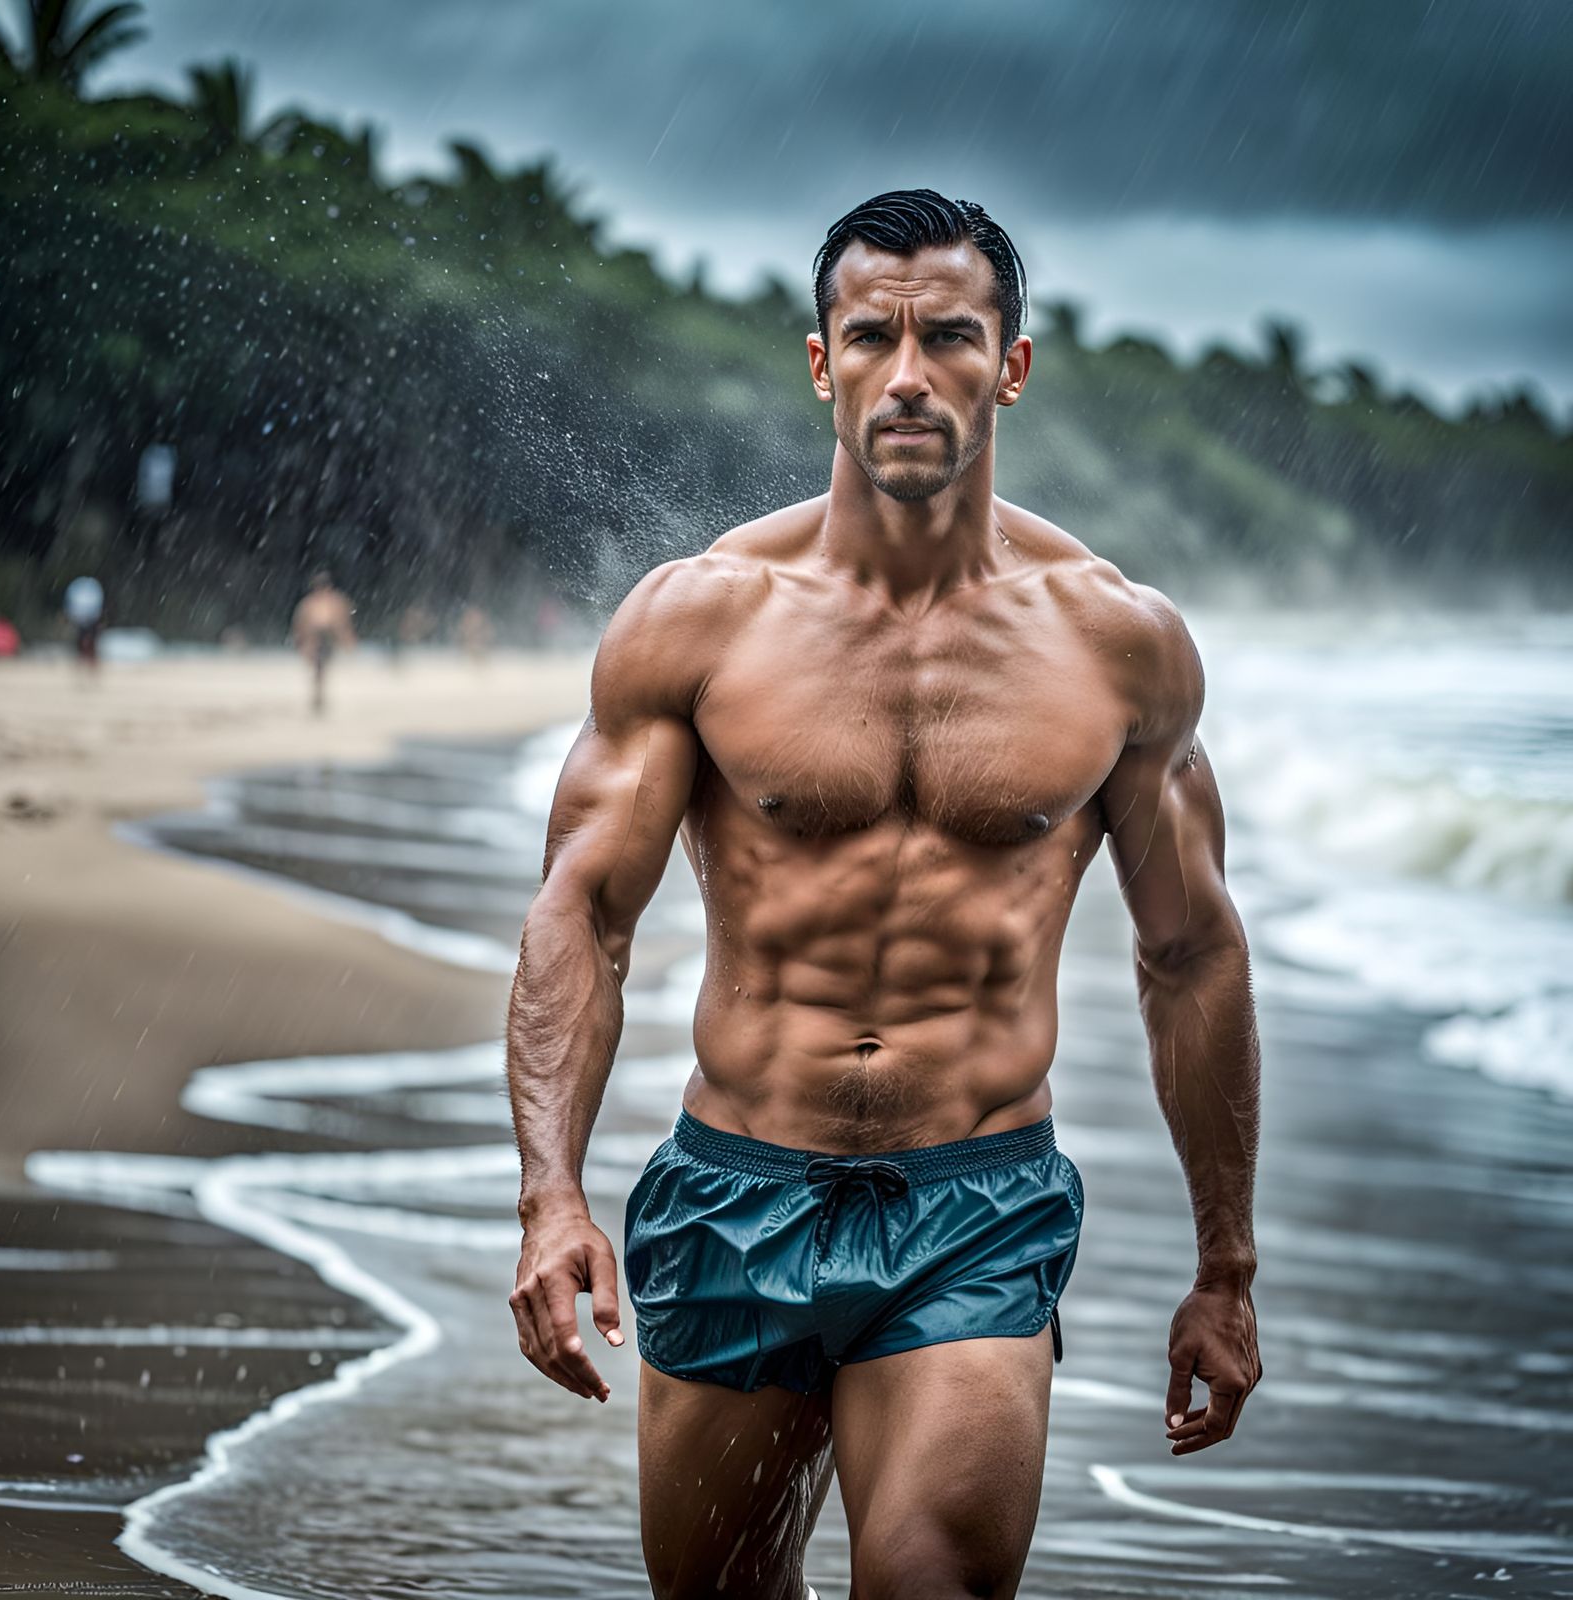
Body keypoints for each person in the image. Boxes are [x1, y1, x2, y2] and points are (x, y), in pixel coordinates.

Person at [506, 189, 1262, 1600]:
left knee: (932, 1580)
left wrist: (1228, 1268)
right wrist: (550, 1197)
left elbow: (1193, 953)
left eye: (952, 337)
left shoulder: (1117, 645)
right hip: (736, 1193)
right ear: (822, 363)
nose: (909, 373)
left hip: (974, 1207)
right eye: (873, 336)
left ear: (1012, 367)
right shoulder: (702, 617)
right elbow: (582, 914)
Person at [289, 570, 357, 715]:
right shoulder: (309, 603)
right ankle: (318, 696)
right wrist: (302, 641)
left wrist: (346, 638)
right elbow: (301, 624)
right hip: (316, 638)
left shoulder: (336, 602)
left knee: (321, 668)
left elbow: (343, 622)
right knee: (319, 668)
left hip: (328, 637)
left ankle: (320, 696)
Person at [62, 574, 104, 679]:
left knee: (87, 647)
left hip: (85, 620)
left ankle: (90, 674)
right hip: (86, 620)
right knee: (86, 647)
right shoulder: (90, 589)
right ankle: (85, 673)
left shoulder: (79, 589)